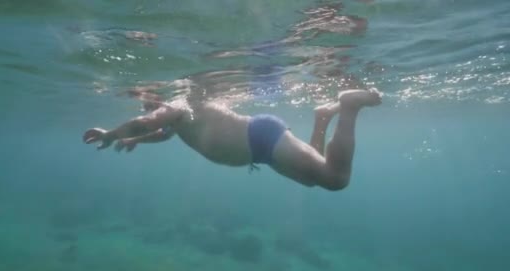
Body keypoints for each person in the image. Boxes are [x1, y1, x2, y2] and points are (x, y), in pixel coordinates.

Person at [83, 87, 382, 190]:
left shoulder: (177, 104)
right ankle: (322, 117)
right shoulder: (178, 116)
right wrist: (138, 141)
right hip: (260, 152)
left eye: (148, 100)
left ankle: (350, 105)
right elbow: (160, 134)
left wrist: (112, 134)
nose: (146, 105)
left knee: (335, 180)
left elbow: (143, 123)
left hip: (262, 136)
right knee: (312, 179)